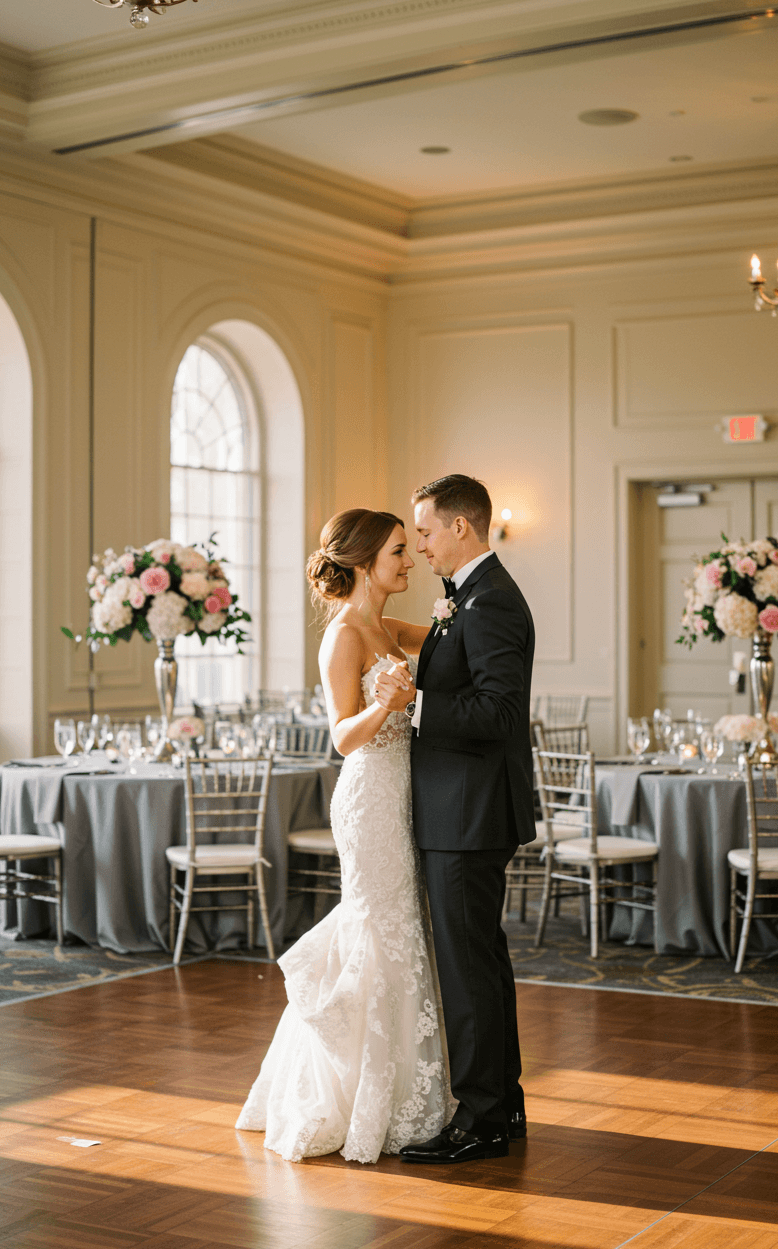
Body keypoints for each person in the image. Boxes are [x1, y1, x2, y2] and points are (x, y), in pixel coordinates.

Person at [235, 508, 453, 1164]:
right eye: (397, 551)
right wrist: (385, 704)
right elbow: (339, 737)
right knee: (380, 926)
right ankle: (360, 1094)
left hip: (402, 791)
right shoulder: (344, 637)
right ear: (362, 562)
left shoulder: (384, 626)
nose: (409, 561)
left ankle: (406, 1089)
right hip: (368, 795)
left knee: (400, 927)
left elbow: (448, 633)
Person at [373, 474, 535, 1165]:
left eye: (428, 531)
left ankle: (482, 1120)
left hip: (467, 813)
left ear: (462, 527)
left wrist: (412, 705)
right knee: (482, 963)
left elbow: (499, 713)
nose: (424, 547)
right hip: (461, 808)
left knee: (467, 969)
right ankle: (503, 1099)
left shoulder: (491, 600)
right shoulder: (468, 597)